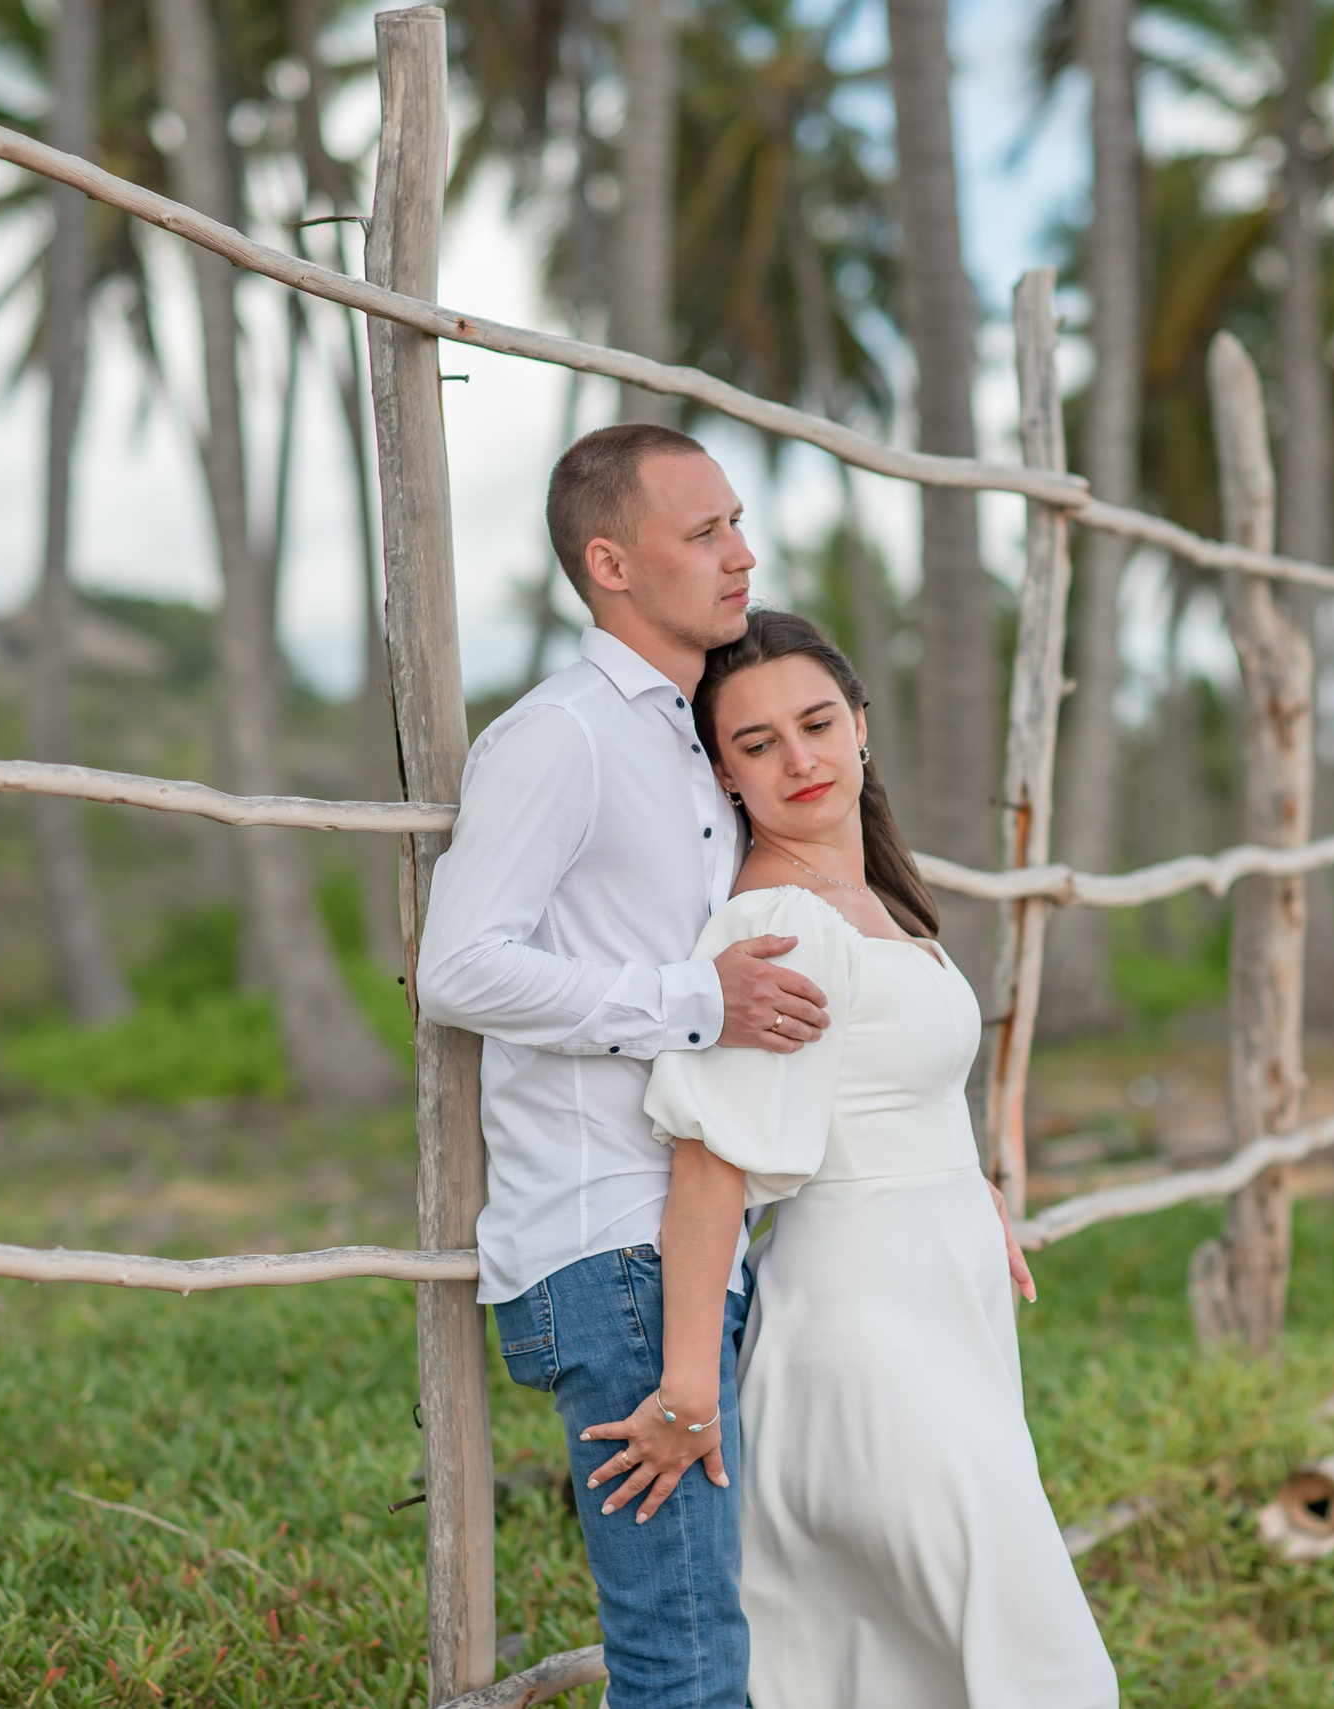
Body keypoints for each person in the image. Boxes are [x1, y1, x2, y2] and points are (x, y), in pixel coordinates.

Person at [581, 609, 1120, 1708]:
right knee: (1042, 1664)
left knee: (911, 1669)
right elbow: (710, 1165)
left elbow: (885, 1085)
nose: (800, 759)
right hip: (865, 1339)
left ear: (862, 725)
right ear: (723, 773)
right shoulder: (777, 922)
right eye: (757, 742)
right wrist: (688, 1389)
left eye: (817, 723)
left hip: (945, 1308)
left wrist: (963, 1185)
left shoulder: (869, 899)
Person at [417, 425, 833, 1709]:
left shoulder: (692, 738)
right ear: (610, 563)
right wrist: (695, 1002)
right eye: (703, 532)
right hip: (613, 1245)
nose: (741, 553)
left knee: (716, 1643)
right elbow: (459, 967)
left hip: (691, 1242)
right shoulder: (563, 736)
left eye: (737, 523)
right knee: (686, 1663)